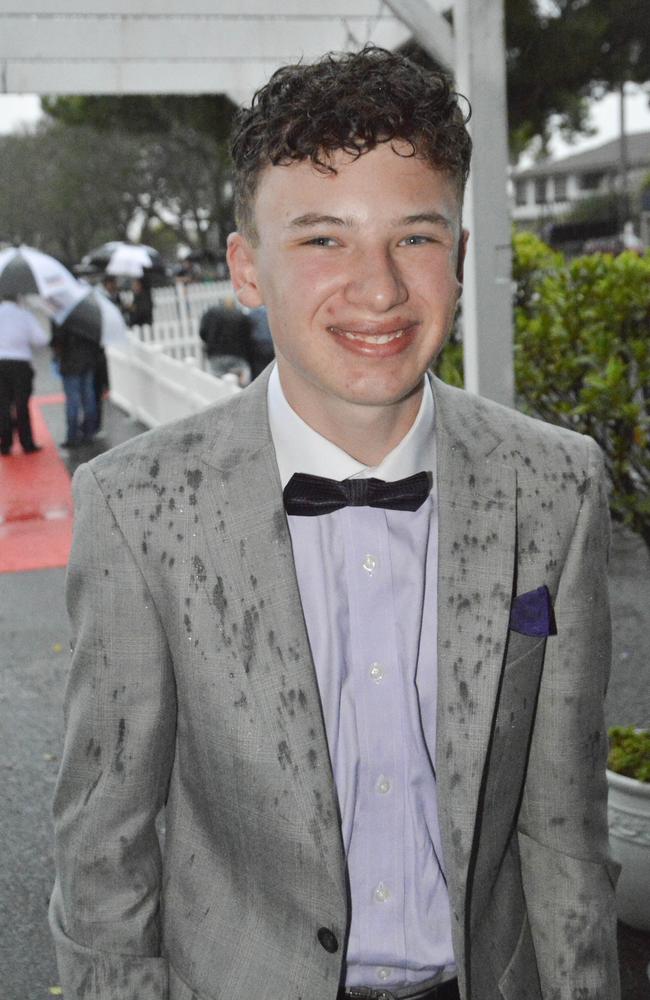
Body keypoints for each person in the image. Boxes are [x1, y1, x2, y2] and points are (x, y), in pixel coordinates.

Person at [50, 47, 620, 1000]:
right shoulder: (139, 506)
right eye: (322, 239)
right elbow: (104, 845)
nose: (380, 289)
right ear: (246, 268)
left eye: (416, 237)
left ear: (461, 255)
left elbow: (564, 825)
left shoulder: (556, 486)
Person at [0, 294, 48, 455]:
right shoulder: (24, 315)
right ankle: (26, 442)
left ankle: (5, 443)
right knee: (22, 404)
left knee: (3, 405)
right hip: (20, 363)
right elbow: (40, 339)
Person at [51, 320, 102, 449]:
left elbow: (58, 340)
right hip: (87, 362)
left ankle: (72, 436)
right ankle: (89, 433)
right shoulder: (87, 318)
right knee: (88, 398)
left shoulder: (63, 318)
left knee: (72, 401)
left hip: (70, 364)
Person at [198, 295, 253, 385]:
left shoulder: (211, 313)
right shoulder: (240, 315)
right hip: (237, 355)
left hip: (216, 355)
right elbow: (248, 335)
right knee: (242, 385)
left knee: (217, 384)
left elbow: (202, 332)